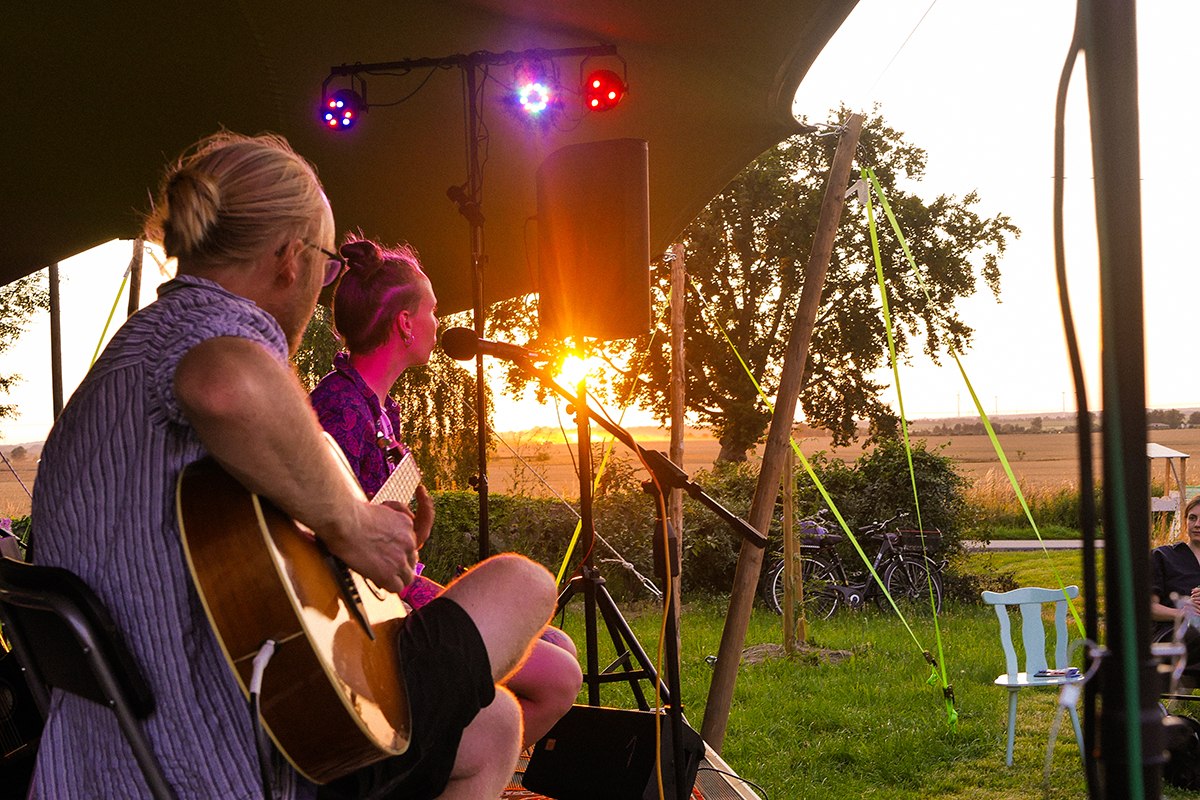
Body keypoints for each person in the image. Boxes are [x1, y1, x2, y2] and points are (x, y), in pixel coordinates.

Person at [29, 131, 557, 799]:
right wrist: (350, 523)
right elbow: (224, 384)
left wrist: (354, 537)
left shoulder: (123, 366)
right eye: (330, 263)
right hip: (224, 756)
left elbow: (234, 559)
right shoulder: (218, 333)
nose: (324, 282)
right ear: (289, 258)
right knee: (523, 584)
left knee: (492, 728)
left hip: (105, 761)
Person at [309, 237, 582, 748]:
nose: (439, 322)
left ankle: (473, 763)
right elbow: (317, 543)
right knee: (557, 678)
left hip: (398, 588)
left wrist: (410, 530)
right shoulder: (338, 411)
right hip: (374, 619)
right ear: (405, 323)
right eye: (432, 309)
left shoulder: (377, 407)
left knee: (558, 644)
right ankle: (440, 769)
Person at [1150, 493, 1200, 667]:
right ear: (1185, 521)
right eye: (1192, 518)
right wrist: (1183, 613)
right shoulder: (1163, 556)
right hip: (1172, 634)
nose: (1197, 524)